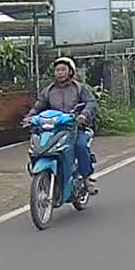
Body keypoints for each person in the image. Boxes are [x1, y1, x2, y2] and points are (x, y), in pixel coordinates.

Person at [27, 57, 99, 193]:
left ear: (70, 71)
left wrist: (84, 115)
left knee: (80, 146)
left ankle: (86, 179)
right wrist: (30, 118)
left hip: (74, 128)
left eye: (63, 70)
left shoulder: (79, 88)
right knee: (37, 147)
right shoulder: (48, 90)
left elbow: (91, 103)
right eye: (57, 70)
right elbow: (38, 107)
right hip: (53, 128)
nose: (59, 73)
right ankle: (38, 173)